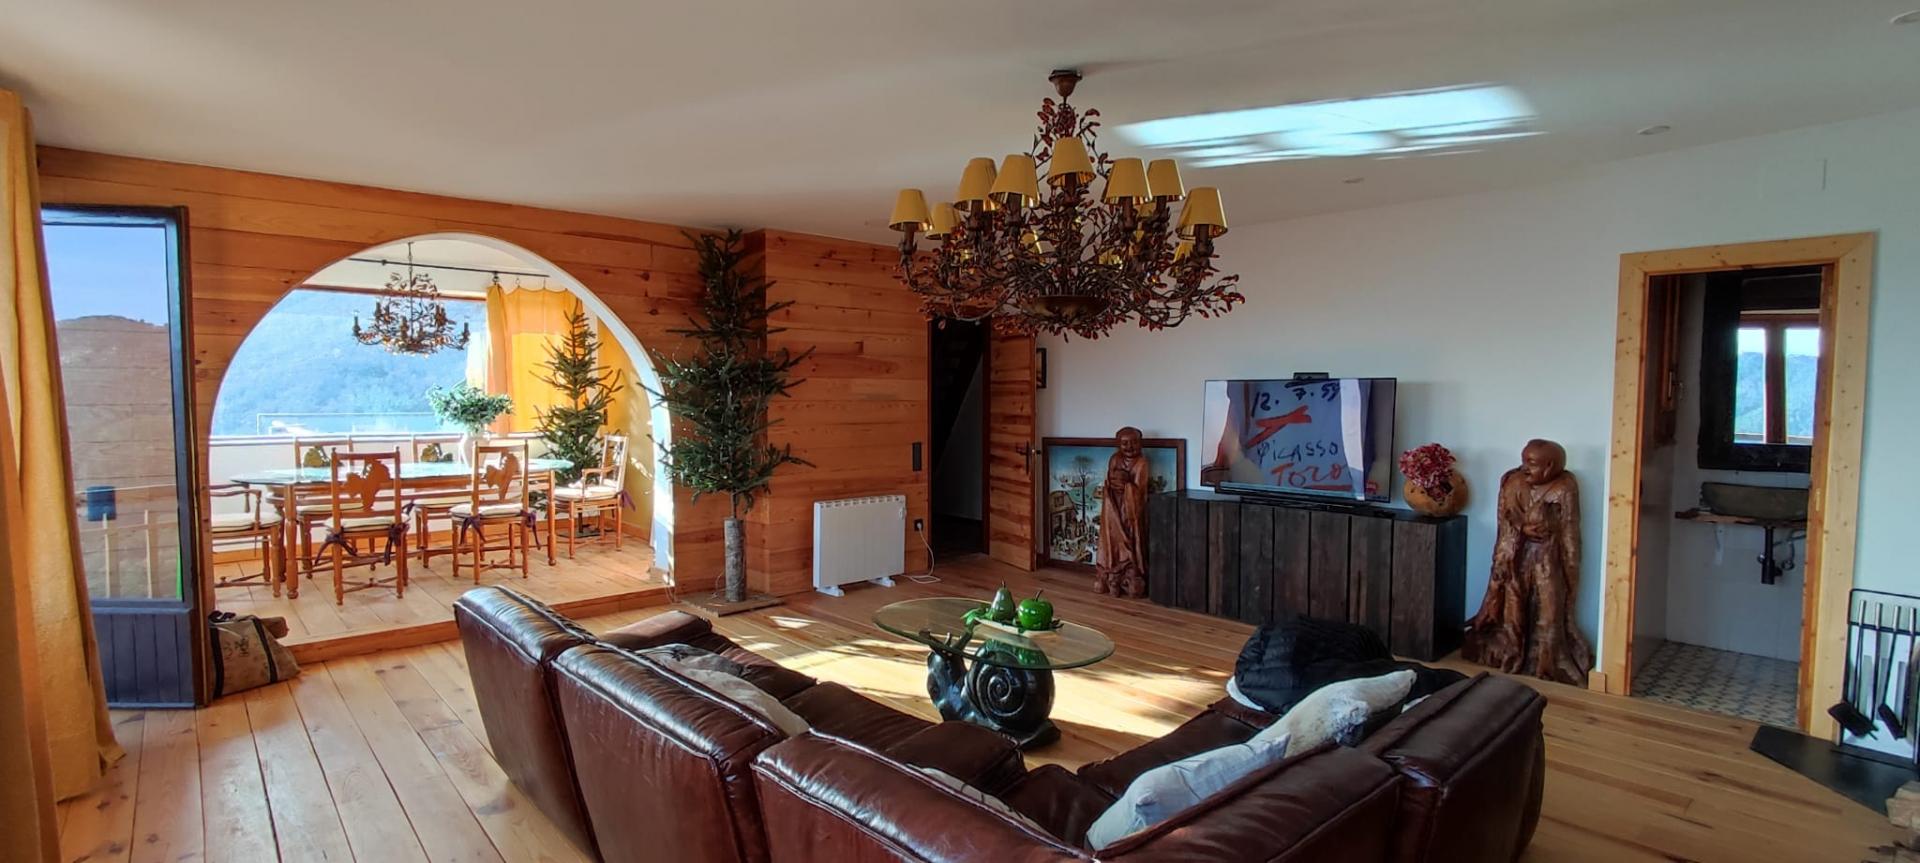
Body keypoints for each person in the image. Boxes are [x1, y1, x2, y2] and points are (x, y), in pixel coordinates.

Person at [1463, 439, 1593, 686]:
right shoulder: (1514, 482)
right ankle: (1511, 653)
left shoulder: (1564, 487)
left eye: (1531, 463)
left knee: (1550, 609)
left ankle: (1548, 662)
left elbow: (1569, 532)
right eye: (1523, 460)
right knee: (1513, 608)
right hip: (1517, 557)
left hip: (1547, 558)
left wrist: (1571, 570)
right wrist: (1522, 530)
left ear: (1550, 466)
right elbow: (1505, 522)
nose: (1524, 468)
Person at [1096, 427, 1151, 598]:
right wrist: (1115, 485)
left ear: (1140, 443)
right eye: (1124, 443)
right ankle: (1110, 571)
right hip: (1114, 506)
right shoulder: (1115, 459)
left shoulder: (1141, 463)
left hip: (1131, 510)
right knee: (1112, 536)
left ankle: (1130, 570)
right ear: (1118, 445)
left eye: (1134, 442)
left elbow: (1140, 492)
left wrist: (1127, 485)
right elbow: (1110, 481)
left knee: (1130, 537)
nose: (1129, 447)